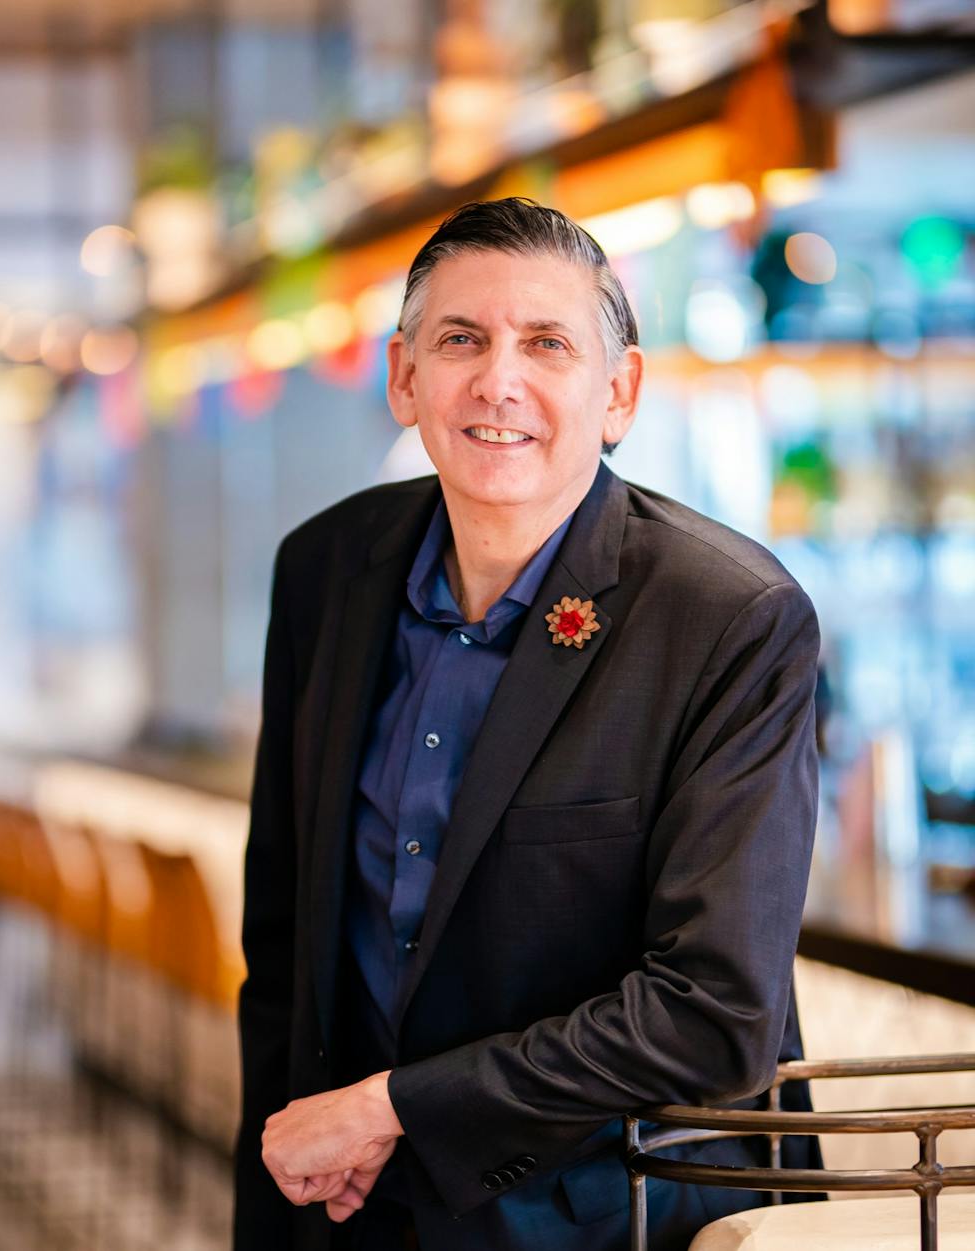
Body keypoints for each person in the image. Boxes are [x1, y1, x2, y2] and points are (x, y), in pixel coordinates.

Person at [235, 197, 823, 1251]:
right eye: (461, 339)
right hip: (351, 1212)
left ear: (619, 391)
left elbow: (713, 1013)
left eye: (547, 343)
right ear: (404, 379)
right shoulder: (324, 568)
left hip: (616, 1211)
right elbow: (284, 947)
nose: (498, 380)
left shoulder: (728, 616)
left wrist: (395, 1107)